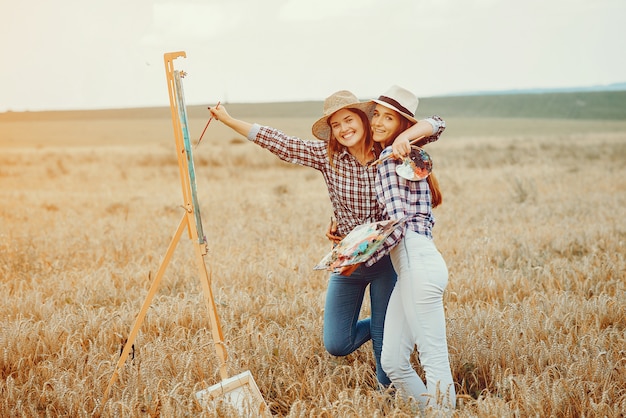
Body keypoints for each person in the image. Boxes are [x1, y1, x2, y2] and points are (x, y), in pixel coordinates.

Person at [208, 90, 425, 387]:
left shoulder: (389, 152)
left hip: (386, 258)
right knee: (337, 342)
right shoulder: (328, 156)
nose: (344, 128)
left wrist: (406, 136)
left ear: (363, 121)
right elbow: (281, 143)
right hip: (348, 261)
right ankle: (389, 327)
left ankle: (386, 397)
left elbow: (435, 126)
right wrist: (229, 121)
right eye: (336, 125)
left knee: (383, 345)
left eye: (349, 120)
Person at [365, 85, 456, 411]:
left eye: (388, 118)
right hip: (409, 268)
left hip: (417, 259)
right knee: (392, 361)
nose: (377, 122)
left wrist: (361, 252)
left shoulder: (402, 153)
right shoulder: (391, 155)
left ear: (402, 124)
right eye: (376, 114)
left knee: (434, 361)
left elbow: (438, 122)